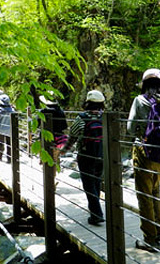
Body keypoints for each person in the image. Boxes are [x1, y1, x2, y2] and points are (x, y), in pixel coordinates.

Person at [127, 68, 160, 252]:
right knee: (155, 189)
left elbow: (131, 128)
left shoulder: (140, 100)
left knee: (144, 194)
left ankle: (150, 238)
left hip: (144, 150)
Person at [62, 90, 105, 226]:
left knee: (88, 184)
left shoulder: (81, 118)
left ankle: (96, 214)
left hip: (86, 155)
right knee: (96, 182)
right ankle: (95, 211)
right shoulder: (105, 118)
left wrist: (64, 151)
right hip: (101, 155)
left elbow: (72, 137)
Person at [39, 91, 68, 162]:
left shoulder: (42, 111)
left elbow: (36, 125)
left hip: (45, 137)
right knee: (55, 158)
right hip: (58, 138)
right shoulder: (60, 111)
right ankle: (55, 170)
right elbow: (64, 126)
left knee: (45, 158)